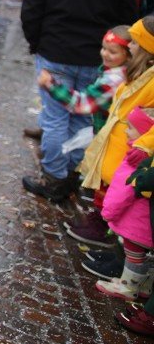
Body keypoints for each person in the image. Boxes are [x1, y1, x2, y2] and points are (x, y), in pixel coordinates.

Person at [21, 0, 137, 202]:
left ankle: (56, 177)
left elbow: (31, 9)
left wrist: (37, 43)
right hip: (97, 56)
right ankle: (73, 172)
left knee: (56, 116)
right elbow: (127, 20)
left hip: (57, 52)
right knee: (83, 118)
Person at [37, 25, 131, 247]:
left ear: (128, 55)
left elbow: (82, 104)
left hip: (114, 140)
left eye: (112, 51)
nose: (105, 54)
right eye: (104, 48)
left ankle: (101, 227)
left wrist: (51, 84)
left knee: (107, 183)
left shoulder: (115, 78)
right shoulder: (114, 72)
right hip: (108, 135)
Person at [95, 106, 154, 301]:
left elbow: (123, 192)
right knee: (145, 255)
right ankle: (145, 286)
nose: (126, 131)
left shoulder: (136, 159)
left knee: (134, 253)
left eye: (130, 127)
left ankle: (128, 287)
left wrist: (108, 213)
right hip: (144, 221)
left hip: (135, 222)